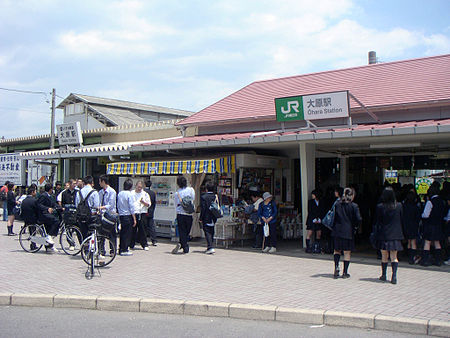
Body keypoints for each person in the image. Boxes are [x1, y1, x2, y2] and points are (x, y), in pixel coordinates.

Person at [373, 188, 404, 284]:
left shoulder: (380, 207)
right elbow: (402, 218)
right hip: (396, 234)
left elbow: (377, 221)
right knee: (394, 256)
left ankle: (384, 274)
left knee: (384, 255)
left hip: (384, 234)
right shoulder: (399, 206)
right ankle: (394, 276)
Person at [332, 188, 362, 279]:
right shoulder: (354, 206)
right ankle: (345, 272)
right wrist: (355, 226)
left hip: (337, 230)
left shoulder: (337, 204)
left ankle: (336, 266)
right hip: (348, 231)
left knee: (337, 250)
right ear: (352, 196)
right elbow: (358, 219)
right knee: (347, 252)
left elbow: (334, 217)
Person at [421, 184, 446, 266]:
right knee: (437, 242)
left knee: (427, 242)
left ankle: (425, 260)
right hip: (438, 224)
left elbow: (425, 215)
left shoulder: (430, 202)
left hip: (430, 224)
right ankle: (438, 261)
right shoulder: (442, 201)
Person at [172, 175, 195, 254]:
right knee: (187, 230)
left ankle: (183, 245)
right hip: (189, 214)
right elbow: (193, 199)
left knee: (182, 230)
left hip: (180, 214)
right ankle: (184, 244)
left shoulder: (177, 193)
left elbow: (176, 204)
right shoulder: (191, 190)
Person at [37, 183, 60, 252]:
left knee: (48, 229)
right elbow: (39, 205)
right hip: (43, 214)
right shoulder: (43, 196)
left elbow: (53, 204)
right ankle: (49, 236)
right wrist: (47, 208)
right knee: (56, 221)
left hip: (47, 214)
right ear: (50, 189)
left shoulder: (50, 196)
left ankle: (49, 246)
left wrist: (61, 208)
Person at [98, 175, 118, 253]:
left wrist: (101, 207)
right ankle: (102, 250)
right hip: (102, 215)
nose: (99, 183)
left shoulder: (112, 191)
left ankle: (112, 250)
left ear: (103, 182)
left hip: (110, 215)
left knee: (111, 233)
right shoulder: (100, 192)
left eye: (100, 181)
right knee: (101, 233)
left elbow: (110, 205)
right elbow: (99, 202)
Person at [117, 178, 136, 256]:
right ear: (131, 186)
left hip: (121, 215)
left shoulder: (120, 193)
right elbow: (132, 207)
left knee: (122, 233)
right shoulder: (130, 194)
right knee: (127, 233)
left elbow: (118, 204)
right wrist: (134, 218)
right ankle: (125, 249)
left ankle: (121, 248)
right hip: (128, 215)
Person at [402, 190, 421, 264]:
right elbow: (418, 218)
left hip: (406, 226)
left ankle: (408, 256)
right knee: (413, 242)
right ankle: (412, 258)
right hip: (414, 226)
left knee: (408, 242)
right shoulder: (416, 207)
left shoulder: (404, 207)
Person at [131, 181, 150, 251]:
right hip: (134, 213)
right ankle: (131, 244)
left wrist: (143, 202)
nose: (139, 189)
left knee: (143, 229)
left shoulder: (145, 194)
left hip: (142, 213)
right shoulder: (132, 193)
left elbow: (148, 204)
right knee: (133, 229)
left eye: (141, 187)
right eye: (138, 187)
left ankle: (144, 244)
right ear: (135, 186)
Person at [200, 181, 218, 254]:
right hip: (213, 216)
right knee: (212, 231)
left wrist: (201, 217)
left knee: (207, 232)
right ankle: (210, 246)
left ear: (206, 188)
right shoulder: (215, 196)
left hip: (206, 217)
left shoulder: (204, 197)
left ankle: (210, 247)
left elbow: (203, 208)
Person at [306, 189, 326, 253]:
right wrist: (314, 219)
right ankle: (308, 247)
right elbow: (310, 211)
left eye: (313, 195)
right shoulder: (310, 202)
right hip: (312, 219)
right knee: (310, 233)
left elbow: (323, 211)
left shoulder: (322, 202)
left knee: (319, 233)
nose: (312, 196)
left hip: (319, 219)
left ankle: (317, 246)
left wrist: (319, 219)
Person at [144, 180, 157, 246]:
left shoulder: (143, 192)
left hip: (144, 211)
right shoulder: (153, 193)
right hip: (151, 212)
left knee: (143, 226)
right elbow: (154, 203)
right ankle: (154, 240)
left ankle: (142, 239)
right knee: (151, 226)